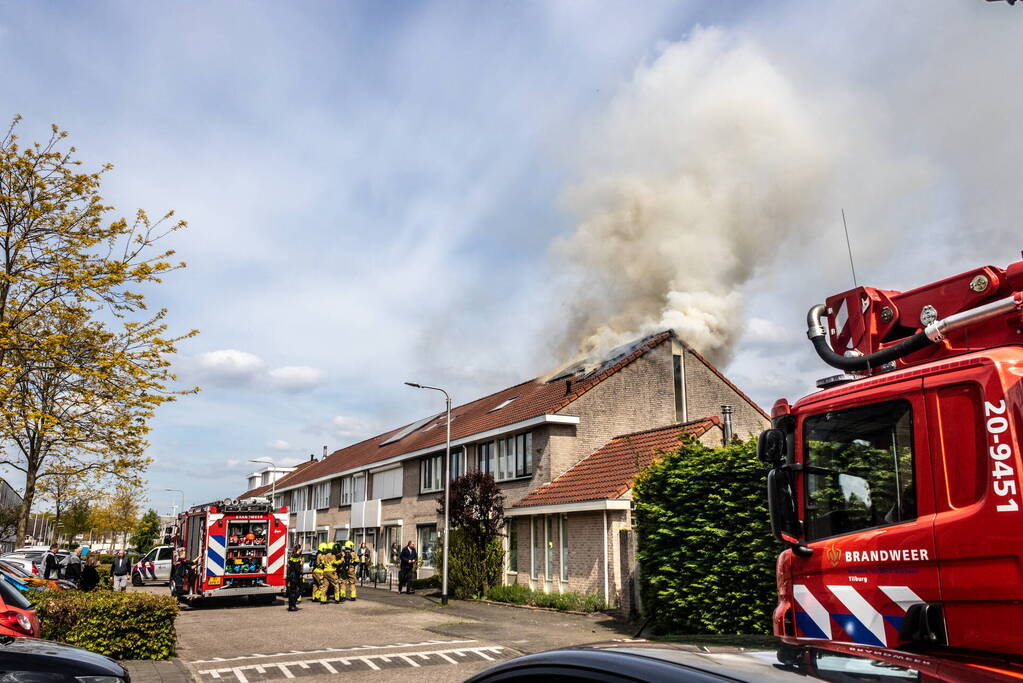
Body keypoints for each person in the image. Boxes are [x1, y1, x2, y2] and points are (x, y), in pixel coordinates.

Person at [286, 544, 303, 612]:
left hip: (291, 575)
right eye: (301, 549)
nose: (302, 550)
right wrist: (300, 574)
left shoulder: (292, 556)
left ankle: (292, 604)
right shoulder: (296, 556)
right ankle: (292, 605)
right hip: (295, 576)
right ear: (298, 549)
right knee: (297, 590)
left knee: (293, 590)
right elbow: (297, 568)